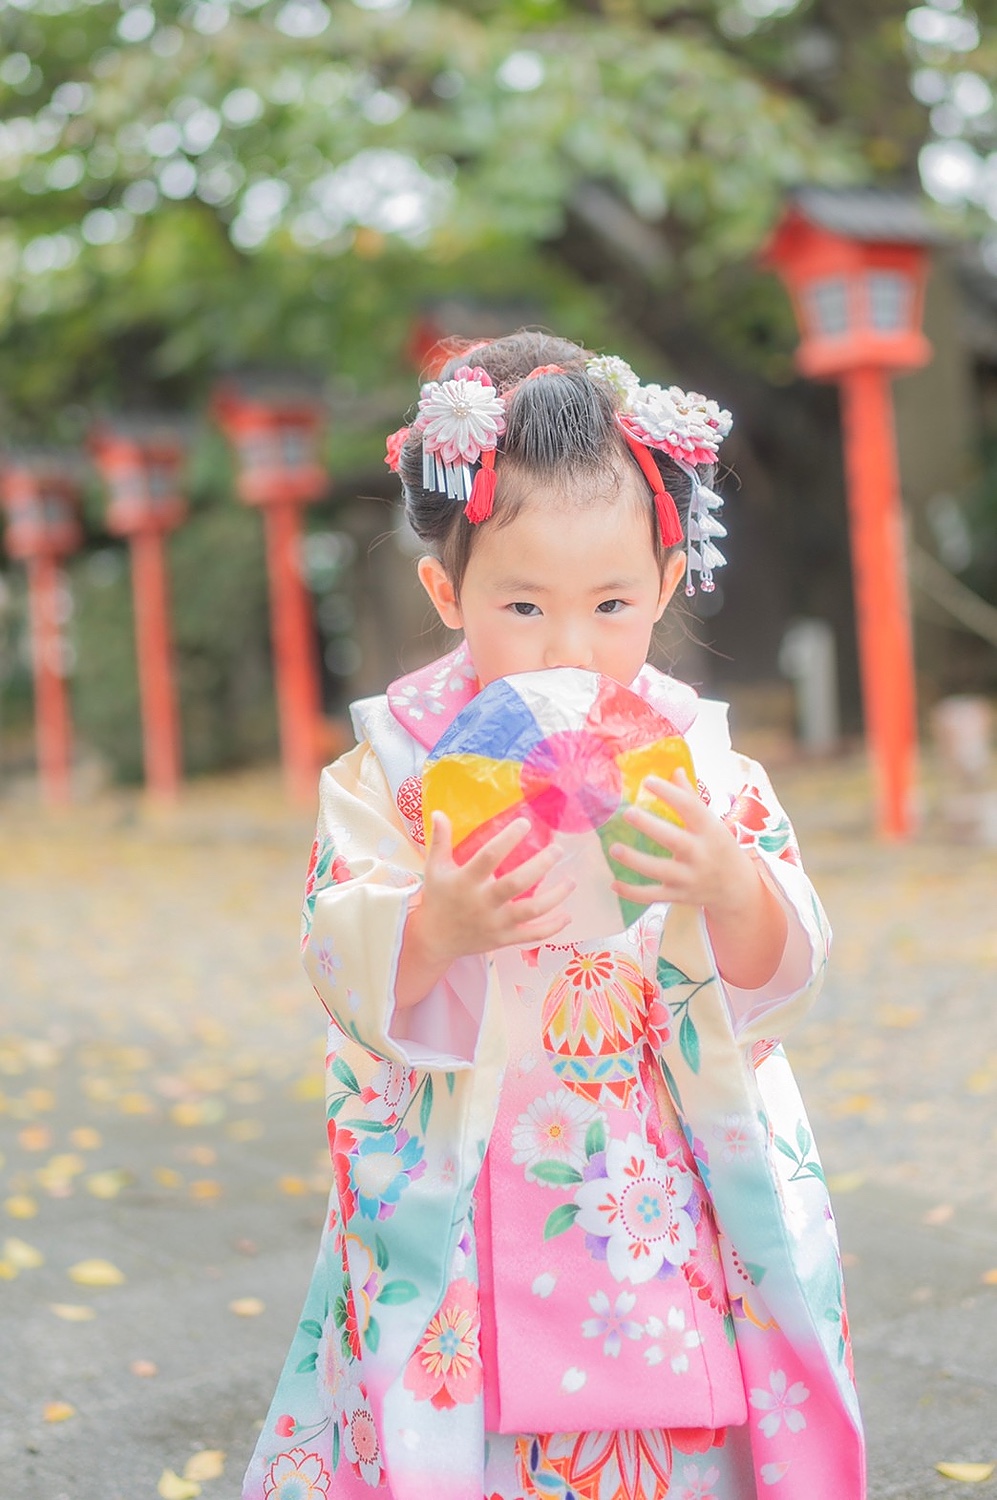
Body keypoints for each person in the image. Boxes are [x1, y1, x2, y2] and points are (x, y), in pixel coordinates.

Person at [242, 331, 865, 1500]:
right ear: (446, 590)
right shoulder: (391, 767)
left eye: (612, 603)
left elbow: (788, 968)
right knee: (471, 1427)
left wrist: (732, 886)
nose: (568, 648)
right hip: (472, 1160)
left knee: (677, 1404)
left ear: (668, 586)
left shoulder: (701, 762)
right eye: (522, 604)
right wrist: (433, 926)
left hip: (655, 1162)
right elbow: (338, 941)